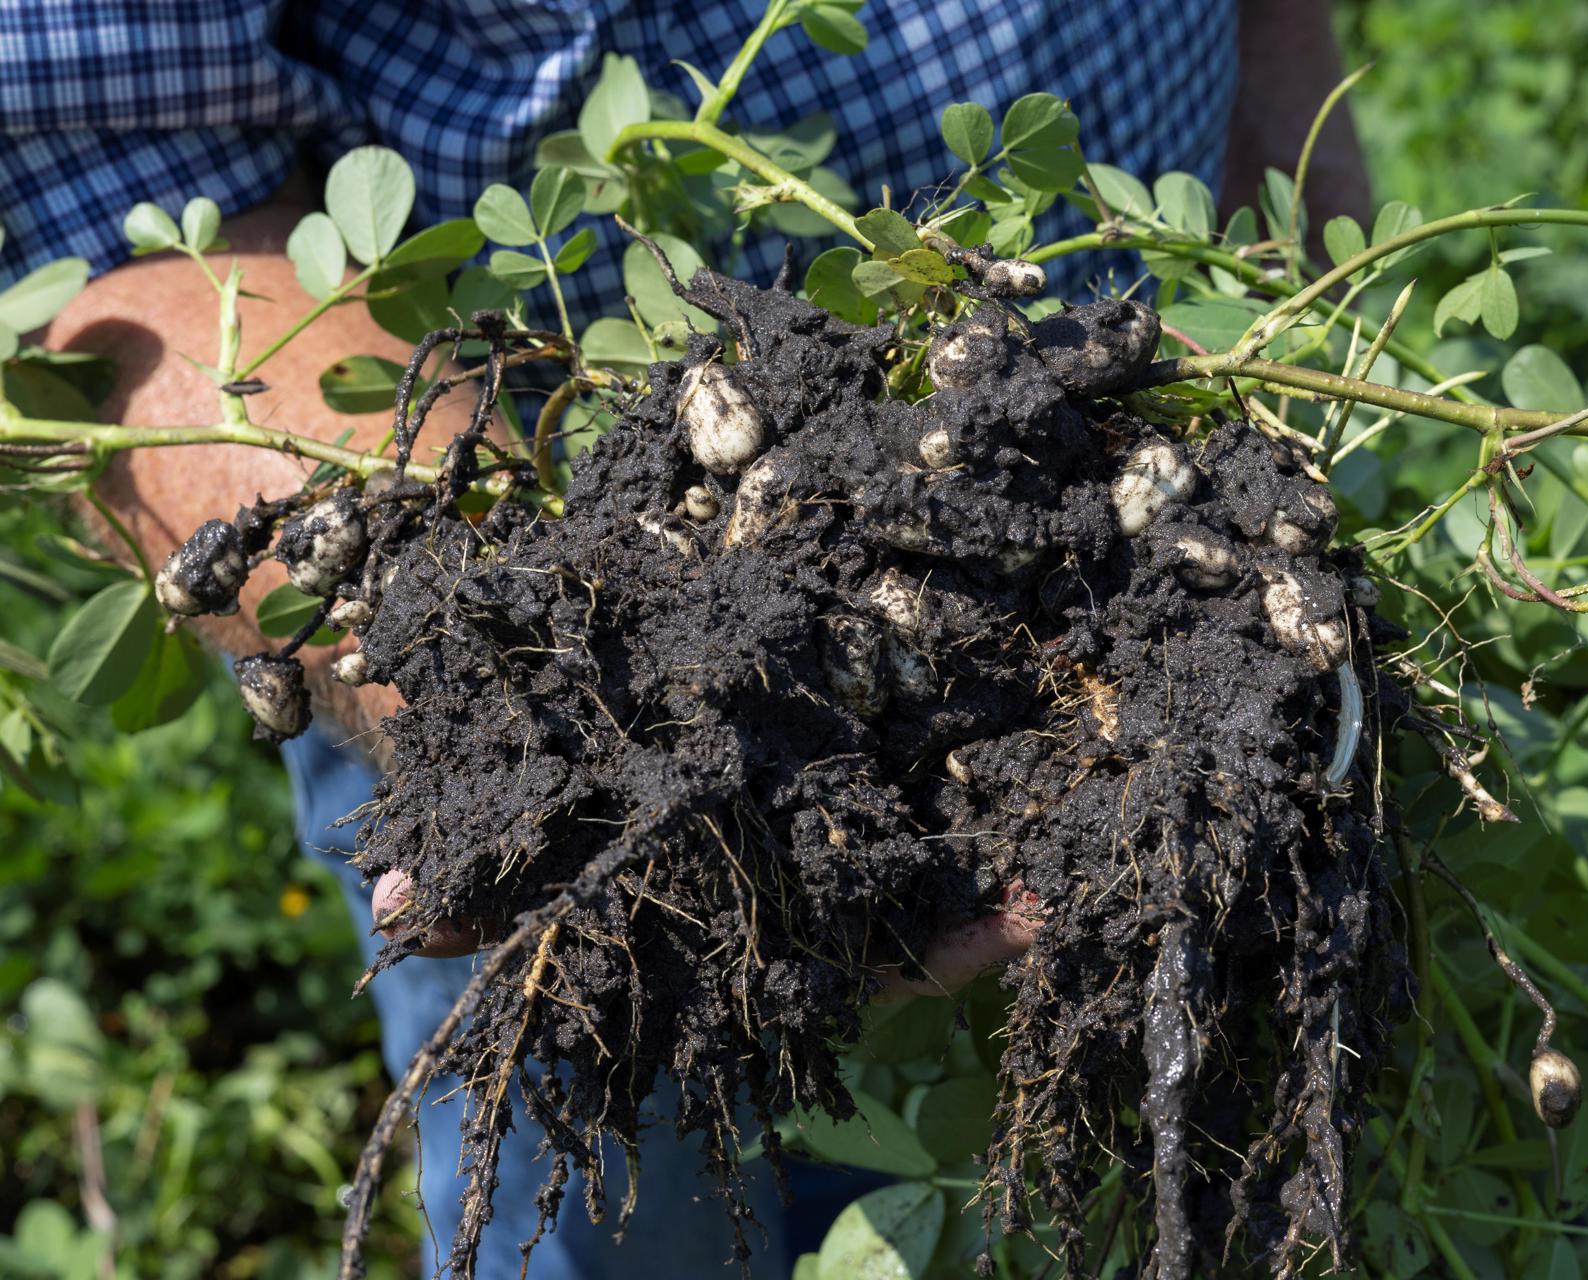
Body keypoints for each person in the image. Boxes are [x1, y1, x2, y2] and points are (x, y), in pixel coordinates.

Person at [3, 1, 1368, 1274]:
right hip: (566, 656)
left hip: (1184, 580)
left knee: (1184, 1174)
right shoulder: (572, 703)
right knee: (605, 1157)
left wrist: (1305, 272)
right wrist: (514, 704)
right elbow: (114, 204)